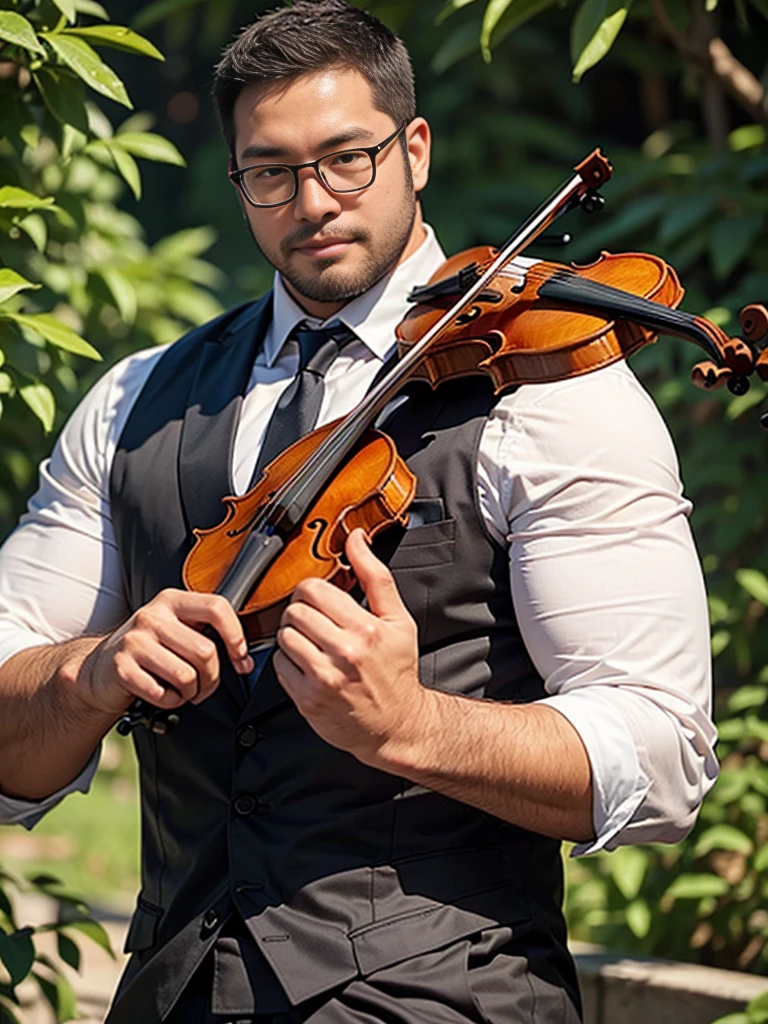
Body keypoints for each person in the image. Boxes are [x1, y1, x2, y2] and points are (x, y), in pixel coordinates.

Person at [0, 1, 716, 1021]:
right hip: (169, 993)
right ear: (238, 178)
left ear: (413, 149)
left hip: (444, 996)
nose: (314, 201)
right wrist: (91, 673)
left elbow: (664, 755)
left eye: (348, 159)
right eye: (271, 171)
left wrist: (410, 725)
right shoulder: (133, 399)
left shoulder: (553, 384)